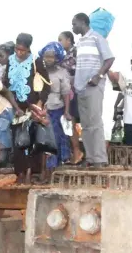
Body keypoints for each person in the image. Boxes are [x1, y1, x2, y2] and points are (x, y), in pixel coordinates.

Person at [4, 33, 51, 184]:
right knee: (17, 142)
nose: (19, 53)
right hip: (16, 107)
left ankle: (32, 173)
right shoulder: (10, 61)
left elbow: (47, 85)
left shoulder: (36, 62)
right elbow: (6, 82)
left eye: (22, 50)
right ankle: (20, 173)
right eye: (17, 49)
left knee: (30, 141)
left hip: (32, 107)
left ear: (28, 49)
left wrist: (39, 104)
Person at [72, 13, 115, 168]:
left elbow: (110, 59)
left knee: (95, 121)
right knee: (86, 124)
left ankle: (100, 159)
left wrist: (99, 75)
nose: (73, 27)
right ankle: (90, 157)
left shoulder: (97, 38)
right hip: (80, 87)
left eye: (74, 24)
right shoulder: (80, 42)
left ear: (83, 22)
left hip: (93, 86)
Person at [39, 42, 72, 175]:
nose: (48, 60)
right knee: (45, 139)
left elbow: (66, 94)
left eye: (51, 57)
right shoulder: (39, 72)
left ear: (57, 57)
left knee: (57, 138)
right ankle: (47, 167)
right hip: (42, 110)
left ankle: (56, 165)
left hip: (57, 109)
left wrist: (67, 111)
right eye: (46, 57)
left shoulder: (61, 73)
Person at [58, 30, 84, 165]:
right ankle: (76, 152)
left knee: (74, 121)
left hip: (76, 91)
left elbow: (80, 71)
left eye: (61, 40)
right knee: (70, 122)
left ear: (69, 39)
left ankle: (79, 152)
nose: (59, 43)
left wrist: (69, 81)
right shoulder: (63, 55)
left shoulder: (76, 52)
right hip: (67, 92)